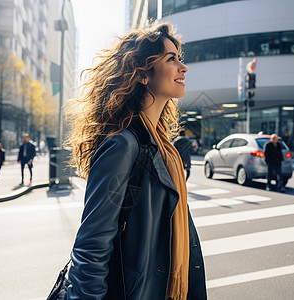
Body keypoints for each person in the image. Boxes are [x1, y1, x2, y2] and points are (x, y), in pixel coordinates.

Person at [65, 23, 207, 299]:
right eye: (171, 59)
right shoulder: (123, 145)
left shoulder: (163, 147)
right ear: (142, 74)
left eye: (180, 58)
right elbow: (90, 248)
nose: (183, 67)